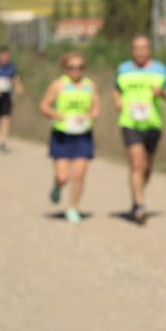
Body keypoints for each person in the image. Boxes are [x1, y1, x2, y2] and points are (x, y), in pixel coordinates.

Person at [113, 34, 166, 224]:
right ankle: (140, 205)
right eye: (136, 48)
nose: (140, 52)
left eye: (144, 48)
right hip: (129, 122)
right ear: (132, 50)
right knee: (136, 163)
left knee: (147, 166)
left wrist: (163, 93)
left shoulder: (161, 70)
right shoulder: (123, 69)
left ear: (149, 50)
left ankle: (136, 197)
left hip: (153, 123)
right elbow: (116, 88)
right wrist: (117, 100)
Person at [38, 51, 100, 224]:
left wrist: (92, 115)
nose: (76, 71)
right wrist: (58, 115)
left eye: (80, 67)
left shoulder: (90, 85)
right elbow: (43, 106)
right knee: (63, 177)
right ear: (65, 68)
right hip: (62, 135)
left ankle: (73, 208)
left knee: (79, 175)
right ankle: (57, 186)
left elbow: (96, 107)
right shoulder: (58, 85)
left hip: (83, 134)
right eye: (72, 67)